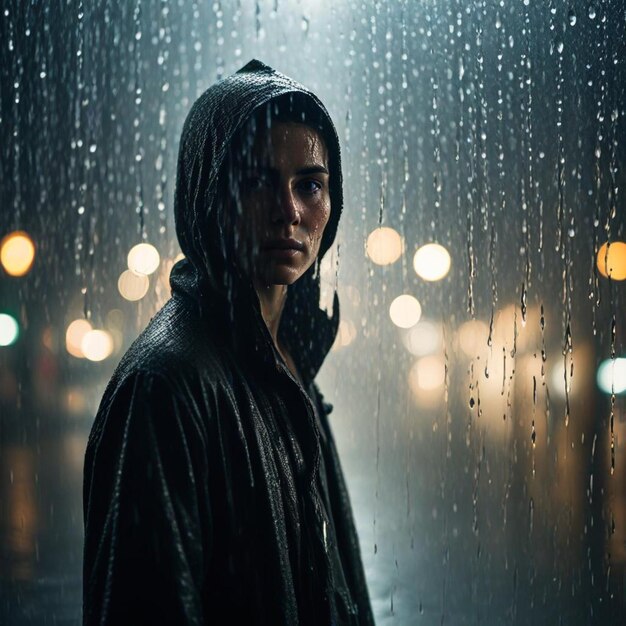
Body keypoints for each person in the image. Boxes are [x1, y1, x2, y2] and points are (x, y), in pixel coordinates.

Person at [82, 59, 375, 625]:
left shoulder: (289, 367)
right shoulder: (164, 387)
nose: (289, 211)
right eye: (257, 182)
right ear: (208, 196)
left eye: (309, 184)